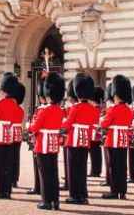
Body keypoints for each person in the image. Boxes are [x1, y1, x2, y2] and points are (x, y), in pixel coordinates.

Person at [29, 72, 66, 211]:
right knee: (53, 173)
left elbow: (35, 127)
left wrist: (29, 127)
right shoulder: (60, 110)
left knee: (44, 174)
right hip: (53, 144)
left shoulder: (44, 111)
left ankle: (46, 201)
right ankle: (55, 202)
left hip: (43, 144)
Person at [0, 72, 22, 199]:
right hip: (9, 137)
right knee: (7, 165)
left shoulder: (0, 103)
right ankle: (7, 191)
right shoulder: (14, 104)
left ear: (4, 90)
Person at [63, 73, 96, 205]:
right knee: (82, 169)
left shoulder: (75, 108)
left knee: (73, 169)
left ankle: (75, 195)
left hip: (74, 140)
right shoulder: (92, 108)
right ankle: (83, 194)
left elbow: (67, 124)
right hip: (85, 141)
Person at [100, 75, 134, 200]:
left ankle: (114, 191)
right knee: (122, 166)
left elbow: (104, 124)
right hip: (123, 140)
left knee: (113, 167)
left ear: (116, 94)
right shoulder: (129, 110)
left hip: (113, 140)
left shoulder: (113, 109)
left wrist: (102, 119)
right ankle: (123, 191)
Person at [27, 80, 47, 196]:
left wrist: (29, 127)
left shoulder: (41, 110)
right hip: (50, 143)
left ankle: (38, 187)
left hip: (39, 140)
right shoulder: (57, 109)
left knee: (39, 165)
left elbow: (35, 126)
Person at [11, 81, 26, 189]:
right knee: (16, 157)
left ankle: (11, 178)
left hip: (10, 133)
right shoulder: (21, 109)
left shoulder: (11, 107)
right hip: (18, 133)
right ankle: (15, 179)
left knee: (9, 157)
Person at [89, 86, 104, 178]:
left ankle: (95, 171)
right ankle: (96, 170)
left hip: (94, 132)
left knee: (94, 153)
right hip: (98, 133)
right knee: (97, 152)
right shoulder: (101, 108)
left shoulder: (93, 108)